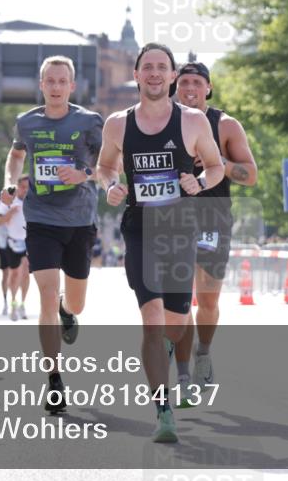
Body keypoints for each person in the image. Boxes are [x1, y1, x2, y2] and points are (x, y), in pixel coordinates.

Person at [96, 42, 224, 443]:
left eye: (161, 68)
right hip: (140, 227)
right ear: (135, 75)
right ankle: (163, 410)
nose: (154, 73)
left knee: (176, 323)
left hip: (182, 228)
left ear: (171, 77)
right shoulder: (117, 123)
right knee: (151, 320)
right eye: (146, 67)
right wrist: (111, 185)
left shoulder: (192, 123)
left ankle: (177, 362)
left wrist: (199, 182)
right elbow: (103, 166)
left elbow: (217, 166)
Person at [5, 55, 103, 414]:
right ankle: (55, 380)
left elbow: (112, 164)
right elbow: (15, 158)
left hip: (79, 220)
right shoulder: (26, 123)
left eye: (63, 81)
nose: (57, 87)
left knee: (74, 303)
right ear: (41, 84)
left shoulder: (90, 122)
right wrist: (10, 183)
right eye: (51, 81)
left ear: (72, 86)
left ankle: (67, 310)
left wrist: (84, 174)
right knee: (45, 295)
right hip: (42, 218)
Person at [172, 61, 258, 396]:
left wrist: (219, 164)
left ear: (208, 87)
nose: (189, 89)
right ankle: (181, 374)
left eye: (196, 82)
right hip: (170, 217)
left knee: (206, 299)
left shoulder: (225, 125)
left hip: (212, 217)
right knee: (177, 299)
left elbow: (251, 176)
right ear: (174, 87)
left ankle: (203, 354)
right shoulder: (161, 120)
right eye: (183, 83)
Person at [0, 175, 30, 320]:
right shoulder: (9, 200)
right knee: (14, 273)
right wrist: (11, 212)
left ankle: (23, 303)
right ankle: (13, 302)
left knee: (26, 272)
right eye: (23, 187)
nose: (25, 190)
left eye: (29, 187)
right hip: (13, 241)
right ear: (18, 187)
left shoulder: (35, 201)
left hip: (30, 241)